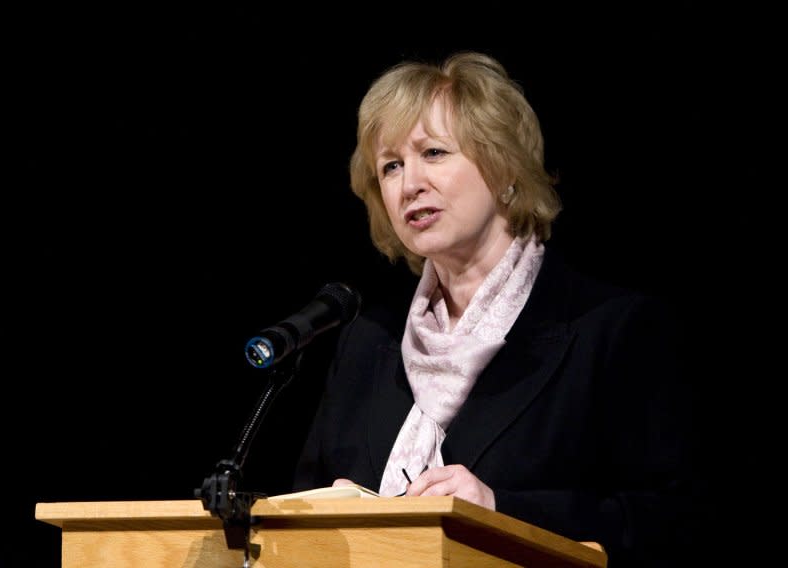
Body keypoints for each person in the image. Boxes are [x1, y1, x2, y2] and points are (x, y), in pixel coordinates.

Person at [292, 51, 697, 567]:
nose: (409, 182)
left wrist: (498, 510)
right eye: (390, 165)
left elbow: (672, 521)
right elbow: (304, 497)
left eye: (433, 153)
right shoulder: (366, 341)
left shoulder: (611, 330)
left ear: (504, 165)